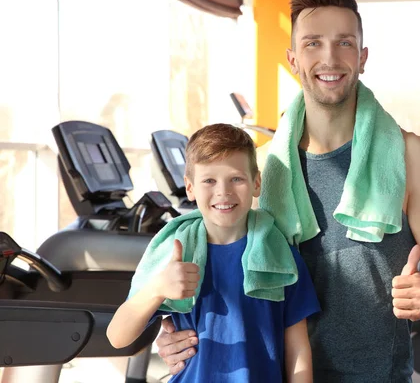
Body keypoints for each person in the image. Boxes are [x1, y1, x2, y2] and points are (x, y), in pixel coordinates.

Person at [155, 0, 420, 382]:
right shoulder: (262, 170)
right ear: (292, 59)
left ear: (362, 57)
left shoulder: (413, 158)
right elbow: (228, 273)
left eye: (344, 43)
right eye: (312, 43)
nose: (329, 57)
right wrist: (176, 335)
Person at [107, 124, 320, 382]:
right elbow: (117, 337)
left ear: (256, 183)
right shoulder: (175, 255)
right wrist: (157, 288)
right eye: (209, 180)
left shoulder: (280, 257)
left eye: (236, 178)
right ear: (190, 188)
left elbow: (297, 348)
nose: (223, 191)